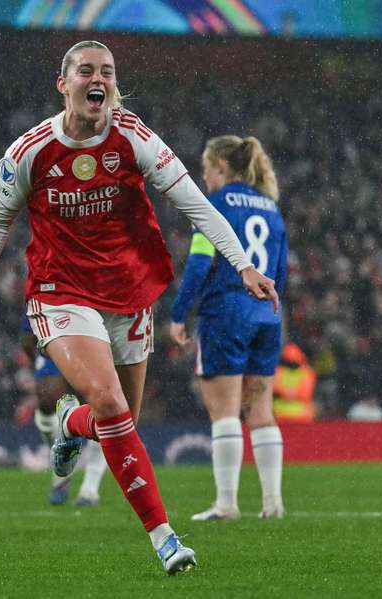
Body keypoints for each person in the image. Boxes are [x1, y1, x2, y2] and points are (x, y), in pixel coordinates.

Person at [0, 40, 279, 574]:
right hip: (61, 291)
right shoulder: (32, 149)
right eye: (86, 71)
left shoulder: (133, 137)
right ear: (64, 84)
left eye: (106, 71)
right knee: (108, 400)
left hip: (128, 292)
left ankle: (69, 422)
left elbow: (195, 204)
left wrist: (242, 264)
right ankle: (165, 538)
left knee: (120, 418)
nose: (98, 79)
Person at [169, 134, 288, 521]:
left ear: (220, 166)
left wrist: (178, 313)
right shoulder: (271, 207)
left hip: (226, 310)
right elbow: (281, 271)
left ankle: (227, 504)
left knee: (224, 412)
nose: (204, 177)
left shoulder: (213, 205)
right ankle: (273, 503)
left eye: (206, 169)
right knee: (262, 411)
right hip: (267, 314)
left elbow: (200, 263)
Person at [21, 317, 107, 506]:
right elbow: (26, 340)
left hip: (92, 331)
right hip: (53, 327)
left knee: (101, 403)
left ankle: (90, 488)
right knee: (46, 399)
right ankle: (63, 460)